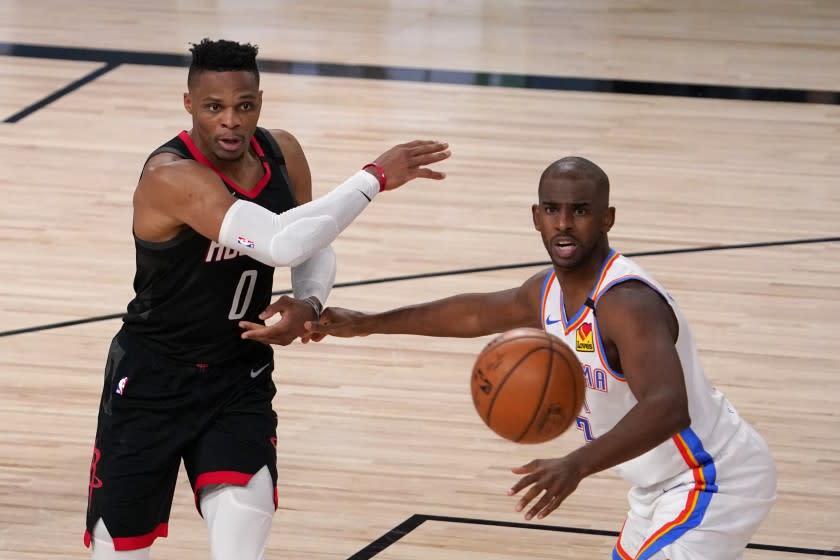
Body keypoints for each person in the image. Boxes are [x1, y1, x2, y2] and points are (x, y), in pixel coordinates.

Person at [301, 156, 777, 559]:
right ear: (535, 216)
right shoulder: (545, 293)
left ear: (608, 218)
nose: (564, 223)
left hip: (712, 479)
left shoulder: (626, 302)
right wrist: (365, 321)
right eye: (552, 210)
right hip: (656, 486)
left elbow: (668, 405)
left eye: (580, 211)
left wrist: (576, 464)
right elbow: (471, 315)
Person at [84, 38, 450, 560]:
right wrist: (374, 177)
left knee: (242, 542)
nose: (231, 121)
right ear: (189, 105)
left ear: (260, 100)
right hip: (151, 379)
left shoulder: (281, 152)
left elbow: (313, 243)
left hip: (238, 376)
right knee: (120, 551)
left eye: (244, 106)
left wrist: (308, 303)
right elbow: (281, 240)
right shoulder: (171, 177)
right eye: (214, 108)